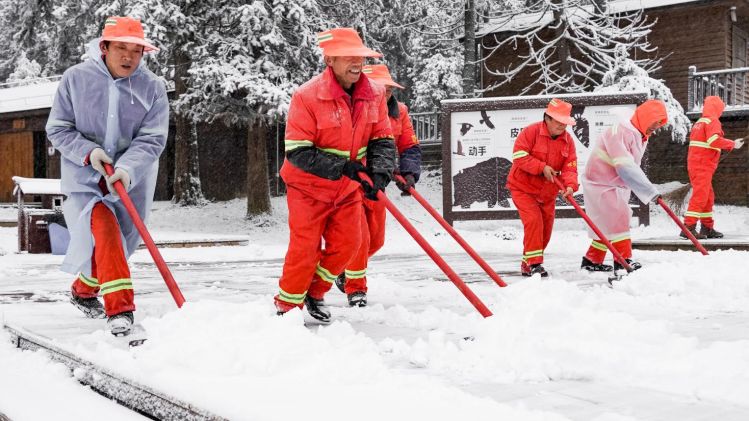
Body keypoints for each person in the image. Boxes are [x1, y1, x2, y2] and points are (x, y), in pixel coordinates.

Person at [46, 16, 168, 335]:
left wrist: (127, 167)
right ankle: (120, 308)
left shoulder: (152, 87)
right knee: (104, 227)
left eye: (136, 51)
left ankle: (84, 290)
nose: (129, 57)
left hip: (132, 180)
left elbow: (153, 137)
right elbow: (58, 128)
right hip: (84, 178)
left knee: (119, 245)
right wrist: (89, 152)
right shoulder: (75, 79)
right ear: (104, 47)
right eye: (121, 48)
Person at [275, 28, 395, 322]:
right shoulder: (306, 96)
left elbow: (382, 139)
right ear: (330, 59)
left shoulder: (375, 94)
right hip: (307, 187)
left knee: (350, 244)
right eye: (348, 57)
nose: (357, 64)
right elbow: (298, 151)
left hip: (346, 189)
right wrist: (342, 166)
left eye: (361, 58)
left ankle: (315, 292)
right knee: (305, 248)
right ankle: (287, 307)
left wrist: (380, 171)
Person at [334, 64, 422, 307]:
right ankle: (356, 290)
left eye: (388, 90)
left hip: (379, 182)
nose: (385, 94)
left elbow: (408, 146)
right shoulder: (353, 108)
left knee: (376, 241)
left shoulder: (399, 112)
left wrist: (409, 173)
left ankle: (341, 268)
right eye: (379, 89)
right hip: (352, 181)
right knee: (359, 239)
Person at [580, 100, 668, 273]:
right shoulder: (620, 132)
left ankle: (591, 260)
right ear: (645, 117)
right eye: (654, 122)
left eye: (659, 125)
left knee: (608, 223)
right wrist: (650, 192)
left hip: (613, 183)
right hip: (601, 183)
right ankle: (623, 260)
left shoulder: (638, 133)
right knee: (619, 219)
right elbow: (625, 166)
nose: (655, 128)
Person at [507, 99, 579, 277]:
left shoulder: (568, 141)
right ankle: (534, 264)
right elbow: (519, 156)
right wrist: (541, 167)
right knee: (534, 221)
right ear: (547, 118)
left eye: (565, 123)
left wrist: (570, 186)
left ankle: (528, 261)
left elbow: (570, 166)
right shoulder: (530, 132)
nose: (563, 126)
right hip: (523, 188)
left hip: (547, 192)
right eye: (559, 122)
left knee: (546, 230)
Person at [682, 96, 744, 239]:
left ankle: (707, 228)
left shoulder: (700, 122)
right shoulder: (713, 121)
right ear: (717, 108)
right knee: (701, 196)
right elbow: (713, 140)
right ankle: (688, 227)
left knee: (707, 197)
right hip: (702, 165)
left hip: (696, 163)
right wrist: (732, 144)